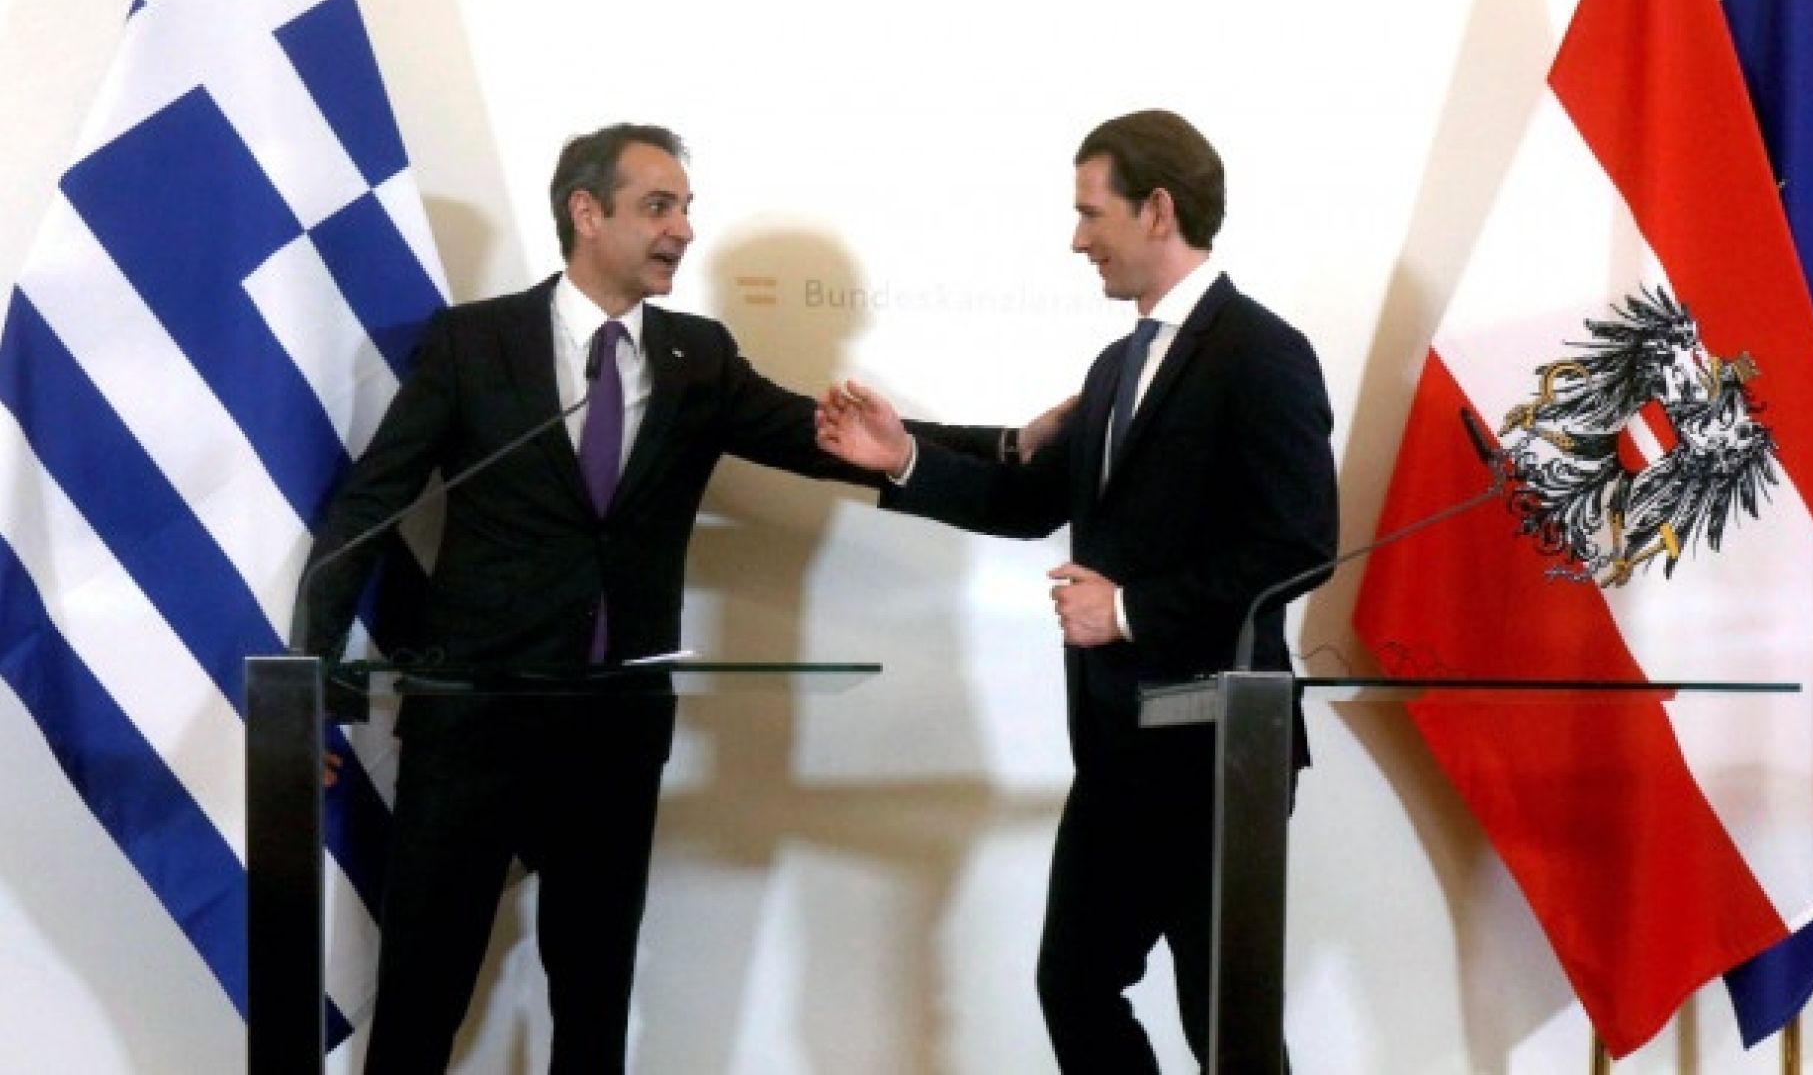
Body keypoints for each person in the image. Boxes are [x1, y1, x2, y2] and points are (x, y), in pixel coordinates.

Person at [300, 123, 907, 1074]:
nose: (683, 229)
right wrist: (311, 690)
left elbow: (836, 441)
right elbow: (371, 507)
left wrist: (1008, 452)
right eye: (659, 206)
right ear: (587, 213)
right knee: (422, 1001)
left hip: (611, 738)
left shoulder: (698, 357)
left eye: (687, 209)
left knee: (592, 1010)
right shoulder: (474, 342)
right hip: (472, 731)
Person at [817, 109, 1337, 1072]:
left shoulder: (1263, 351)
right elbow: (1028, 502)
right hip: (1116, 747)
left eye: (1091, 213)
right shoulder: (1114, 366)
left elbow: (1299, 544)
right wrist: (902, 460)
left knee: (1224, 1024)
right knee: (1077, 985)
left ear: (1158, 210)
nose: (1076, 239)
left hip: (1223, 753)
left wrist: (1128, 610)